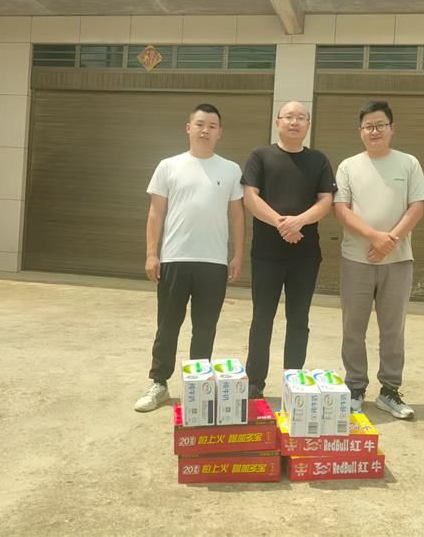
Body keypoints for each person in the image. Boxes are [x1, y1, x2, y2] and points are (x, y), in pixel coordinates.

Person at [134, 103, 245, 412]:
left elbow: (237, 216)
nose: (205, 130)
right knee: (168, 325)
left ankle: (198, 387)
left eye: (212, 125)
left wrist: (237, 255)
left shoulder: (231, 170)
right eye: (199, 124)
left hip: (214, 262)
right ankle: (159, 383)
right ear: (188, 128)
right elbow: (156, 213)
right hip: (174, 258)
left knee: (205, 328)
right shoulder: (168, 166)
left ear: (220, 132)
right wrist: (151, 254)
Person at [333, 100, 424, 418]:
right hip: (356, 260)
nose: (374, 131)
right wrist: (375, 237)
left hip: (398, 261)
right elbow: (341, 210)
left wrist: (391, 241)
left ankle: (390, 391)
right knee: (353, 327)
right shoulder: (348, 166)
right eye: (368, 126)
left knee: (393, 329)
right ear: (360, 131)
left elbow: (417, 206)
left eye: (380, 125)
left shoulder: (408, 163)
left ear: (392, 128)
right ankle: (355, 387)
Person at [241, 101, 337, 399]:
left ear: (308, 124)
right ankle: (255, 382)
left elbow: (326, 201)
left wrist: (299, 221)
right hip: (266, 255)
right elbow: (250, 197)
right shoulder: (260, 155)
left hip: (305, 257)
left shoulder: (318, 160)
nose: (295, 122)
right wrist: (282, 224)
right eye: (289, 117)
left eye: (301, 117)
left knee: (299, 320)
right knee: (262, 319)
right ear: (278, 121)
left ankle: (293, 380)